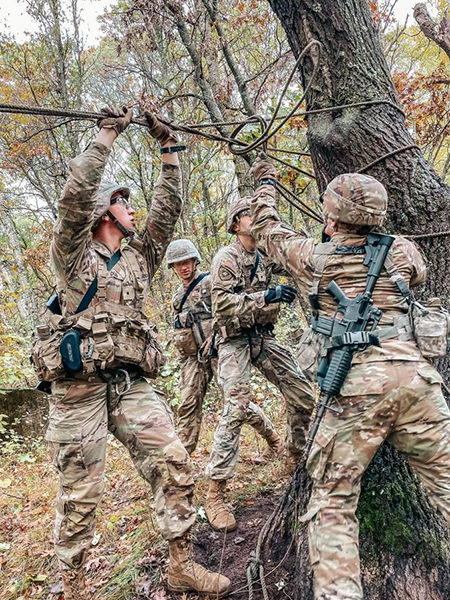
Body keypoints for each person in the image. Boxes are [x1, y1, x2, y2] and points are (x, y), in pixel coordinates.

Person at [35, 107, 230, 599]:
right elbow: (74, 198)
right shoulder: (73, 255)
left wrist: (168, 149)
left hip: (127, 384)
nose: (132, 209)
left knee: (175, 461)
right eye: (123, 203)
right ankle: (73, 585)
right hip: (78, 390)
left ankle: (180, 565)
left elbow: (169, 207)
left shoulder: (140, 257)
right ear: (104, 214)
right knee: (81, 494)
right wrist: (107, 135)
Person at [249, 153, 450, 600]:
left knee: (333, 504)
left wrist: (264, 183)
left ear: (332, 214)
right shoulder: (403, 250)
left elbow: (267, 231)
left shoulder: (311, 257)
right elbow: (417, 275)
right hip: (416, 381)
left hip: (357, 388)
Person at [204, 196, 315, 532]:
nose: (256, 219)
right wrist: (266, 296)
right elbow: (221, 303)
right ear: (236, 223)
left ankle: (294, 456)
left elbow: (298, 262)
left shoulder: (266, 255)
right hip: (234, 340)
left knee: (302, 395)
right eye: (249, 215)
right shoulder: (227, 258)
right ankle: (215, 491)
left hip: (264, 337)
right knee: (237, 407)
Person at [168, 238, 284, 460]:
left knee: (238, 404)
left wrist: (215, 336)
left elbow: (231, 308)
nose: (183, 267)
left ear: (195, 260)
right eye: (178, 263)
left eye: (187, 261)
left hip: (219, 350)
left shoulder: (211, 282)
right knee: (187, 404)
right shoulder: (177, 296)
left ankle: (273, 439)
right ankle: (181, 463)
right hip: (193, 358)